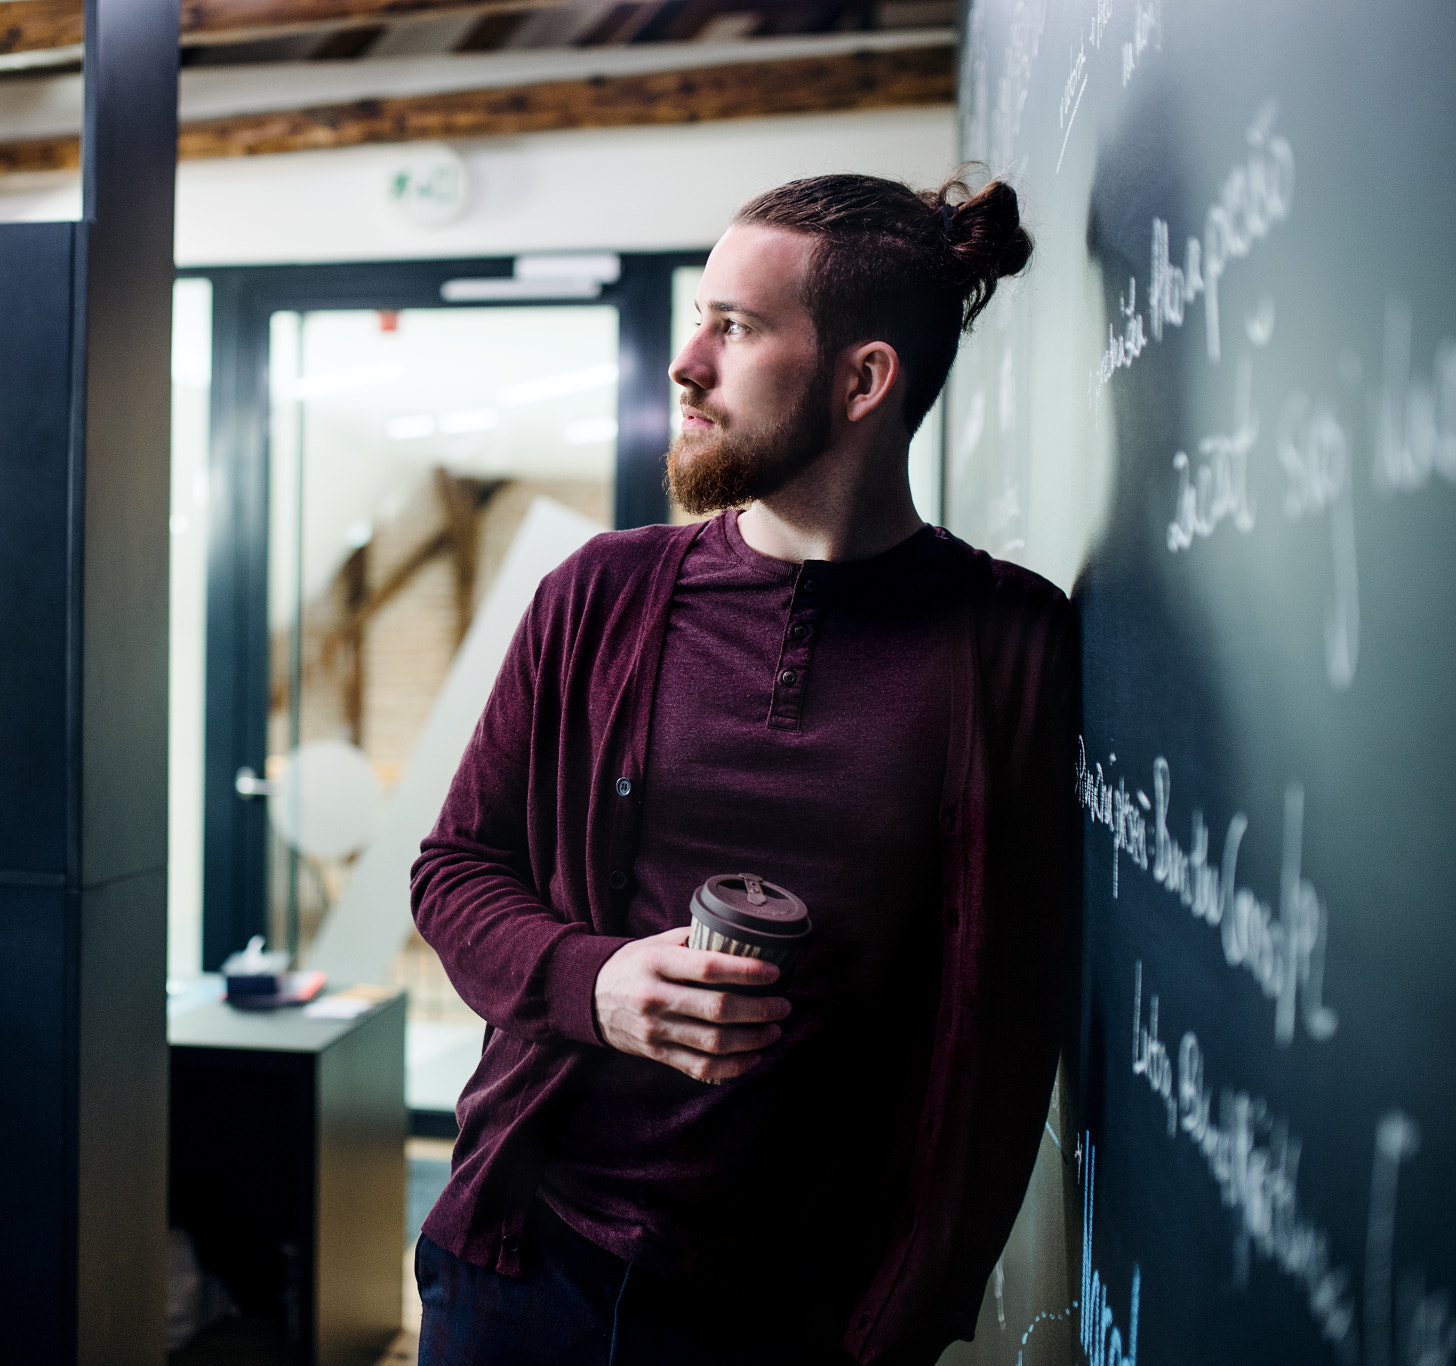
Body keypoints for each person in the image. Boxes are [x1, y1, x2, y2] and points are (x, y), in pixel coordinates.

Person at [409, 173, 1080, 1366]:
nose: (686, 362)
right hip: (524, 1265)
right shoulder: (598, 595)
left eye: (735, 326)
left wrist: (897, 1322)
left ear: (862, 379)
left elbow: (1009, 1026)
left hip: (793, 1312)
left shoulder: (1007, 643)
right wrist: (592, 979)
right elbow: (455, 870)